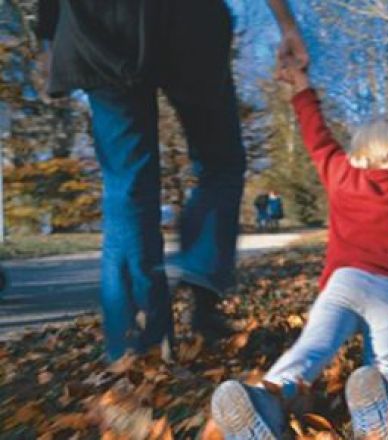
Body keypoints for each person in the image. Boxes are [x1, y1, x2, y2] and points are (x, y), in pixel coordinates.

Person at [35, 0, 308, 362]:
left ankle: (138, 347)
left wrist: (47, 38)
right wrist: (287, 26)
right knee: (220, 164)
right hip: (187, 23)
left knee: (127, 184)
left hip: (100, 25)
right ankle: (203, 281)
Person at [209, 64, 388, 439]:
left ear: (357, 150)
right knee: (386, 366)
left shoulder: (339, 173)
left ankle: (266, 402)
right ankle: (383, 415)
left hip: (342, 284)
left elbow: (315, 131)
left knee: (309, 351)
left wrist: (301, 85)